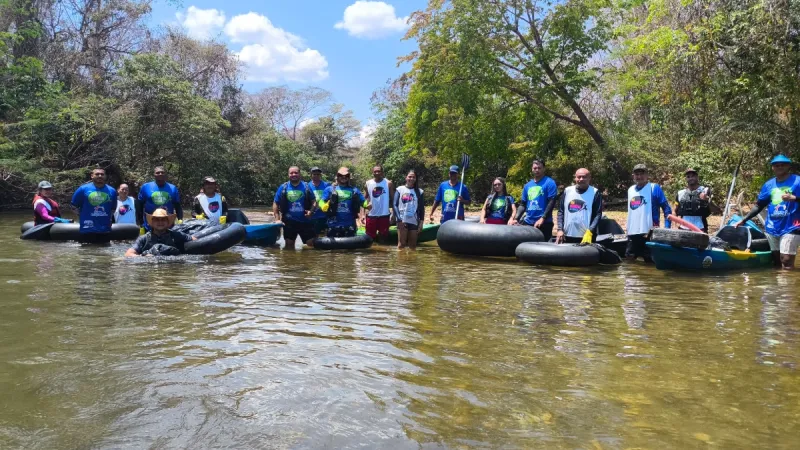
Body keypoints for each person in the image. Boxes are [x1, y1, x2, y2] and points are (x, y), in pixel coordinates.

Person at [735, 155, 800, 270]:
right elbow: (759, 205)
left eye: (783, 165)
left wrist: (794, 198)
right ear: (772, 168)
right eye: (776, 165)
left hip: (792, 226)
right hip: (772, 226)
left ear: (788, 166)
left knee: (786, 261)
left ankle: (787, 287)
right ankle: (779, 286)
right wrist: (744, 219)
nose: (780, 167)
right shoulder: (768, 185)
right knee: (776, 262)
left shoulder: (797, 181)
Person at [625, 164, 672, 262]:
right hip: (632, 232)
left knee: (649, 261)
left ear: (647, 175)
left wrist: (667, 228)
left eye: (642, 174)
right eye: (636, 174)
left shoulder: (654, 188)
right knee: (629, 259)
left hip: (649, 232)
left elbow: (666, 209)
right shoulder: (630, 190)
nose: (639, 177)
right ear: (633, 176)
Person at [510, 159, 558, 241]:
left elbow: (551, 202)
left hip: (544, 222)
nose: (537, 170)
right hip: (528, 222)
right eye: (535, 168)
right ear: (532, 169)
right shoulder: (527, 185)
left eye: (539, 168)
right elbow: (523, 204)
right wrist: (516, 219)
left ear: (544, 169)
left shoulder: (550, 183)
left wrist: (543, 218)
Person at [555, 168, 603, 244]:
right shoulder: (567, 191)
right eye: (579, 177)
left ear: (589, 178)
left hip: (586, 237)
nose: (581, 179)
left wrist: (591, 231)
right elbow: (561, 211)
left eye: (584, 177)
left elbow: (598, 214)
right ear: (575, 178)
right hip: (567, 235)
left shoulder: (595, 192)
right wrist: (560, 229)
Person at [316, 167, 368, 237]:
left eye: (346, 176)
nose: (344, 177)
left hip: (349, 224)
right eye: (341, 175)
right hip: (333, 224)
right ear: (337, 176)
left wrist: (368, 205)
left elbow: (363, 202)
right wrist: (323, 206)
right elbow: (321, 201)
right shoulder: (329, 189)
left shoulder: (355, 190)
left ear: (349, 177)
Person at [273, 166, 315, 249]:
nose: (293, 174)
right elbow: (275, 203)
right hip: (289, 222)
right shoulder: (283, 187)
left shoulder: (306, 186)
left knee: (311, 245)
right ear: (288, 175)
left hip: (305, 221)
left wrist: (311, 211)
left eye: (296, 172)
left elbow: (314, 202)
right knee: (289, 246)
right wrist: (277, 219)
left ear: (299, 174)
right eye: (291, 173)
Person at [125, 208, 195, 257]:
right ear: (152, 222)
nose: (160, 222)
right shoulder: (143, 239)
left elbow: (195, 241)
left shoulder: (177, 235)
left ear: (168, 222)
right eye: (157, 220)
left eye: (163, 219)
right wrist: (144, 257)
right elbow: (128, 254)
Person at [71, 167, 118, 236]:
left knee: (105, 247)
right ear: (92, 176)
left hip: (105, 230)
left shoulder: (112, 191)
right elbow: (73, 206)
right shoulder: (82, 189)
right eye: (97, 174)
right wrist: (82, 215)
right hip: (87, 229)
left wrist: (109, 218)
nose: (100, 176)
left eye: (102, 174)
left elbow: (113, 208)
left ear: (105, 176)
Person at [137, 166, 182, 231]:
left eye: (162, 172)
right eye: (158, 173)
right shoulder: (146, 187)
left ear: (165, 174)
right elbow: (139, 206)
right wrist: (141, 223)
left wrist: (180, 219)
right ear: (154, 175)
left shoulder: (173, 188)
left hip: (168, 224)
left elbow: (177, 206)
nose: (160, 174)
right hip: (149, 224)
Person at [675, 168, 720, 233]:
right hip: (683, 228)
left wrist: (707, 200)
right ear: (686, 179)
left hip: (700, 228)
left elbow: (716, 210)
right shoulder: (680, 193)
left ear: (697, 177)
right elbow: (675, 210)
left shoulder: (705, 191)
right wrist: (675, 224)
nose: (691, 178)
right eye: (688, 177)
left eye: (693, 176)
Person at [394, 170, 425, 249]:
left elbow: (421, 208)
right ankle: (400, 261)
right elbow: (395, 205)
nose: (411, 178)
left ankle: (411, 261)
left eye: (413, 177)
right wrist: (399, 219)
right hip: (402, 219)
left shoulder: (420, 192)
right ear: (406, 178)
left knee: (413, 246)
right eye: (409, 177)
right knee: (401, 245)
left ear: (416, 179)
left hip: (414, 220)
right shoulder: (399, 189)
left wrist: (421, 223)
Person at [364, 165, 395, 242]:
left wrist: (394, 214)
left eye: (379, 171)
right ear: (372, 172)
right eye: (375, 171)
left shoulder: (388, 183)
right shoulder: (368, 183)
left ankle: (383, 253)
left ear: (382, 172)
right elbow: (364, 199)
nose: (377, 173)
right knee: (370, 239)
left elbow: (394, 199)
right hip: (371, 215)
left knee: (383, 238)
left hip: (384, 215)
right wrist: (362, 215)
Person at [308, 167, 330, 238]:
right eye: (314, 174)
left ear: (320, 175)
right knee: (314, 236)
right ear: (311, 175)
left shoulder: (326, 185)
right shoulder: (307, 186)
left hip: (325, 215)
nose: (316, 176)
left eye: (318, 174)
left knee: (328, 235)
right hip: (313, 215)